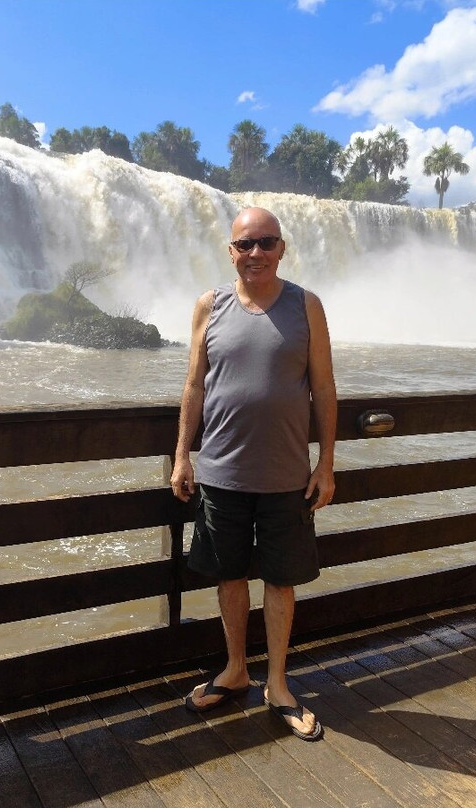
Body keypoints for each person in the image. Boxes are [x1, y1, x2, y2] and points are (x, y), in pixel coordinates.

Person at [171, 206, 337, 741]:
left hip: (288, 473)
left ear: (282, 248)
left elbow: (325, 388)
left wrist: (326, 463)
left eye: (266, 243)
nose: (256, 254)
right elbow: (194, 386)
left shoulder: (305, 305)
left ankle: (279, 683)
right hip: (220, 472)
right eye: (245, 245)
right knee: (230, 576)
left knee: (281, 581)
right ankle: (236, 669)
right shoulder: (209, 306)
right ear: (231, 251)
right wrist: (181, 455)